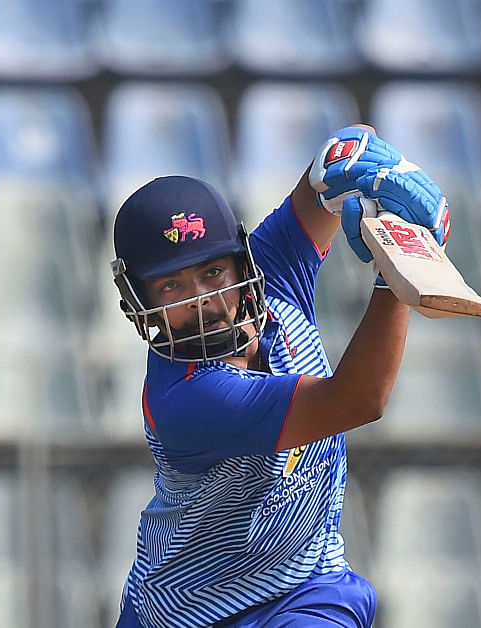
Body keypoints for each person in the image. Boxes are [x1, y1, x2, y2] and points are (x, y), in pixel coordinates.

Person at [109, 124, 449, 628]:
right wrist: (398, 271)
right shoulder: (186, 397)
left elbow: (320, 189)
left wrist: (347, 160)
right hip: (186, 612)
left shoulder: (273, 269)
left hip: (307, 586)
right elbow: (358, 400)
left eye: (212, 273)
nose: (201, 299)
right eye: (171, 286)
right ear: (141, 303)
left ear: (240, 262)